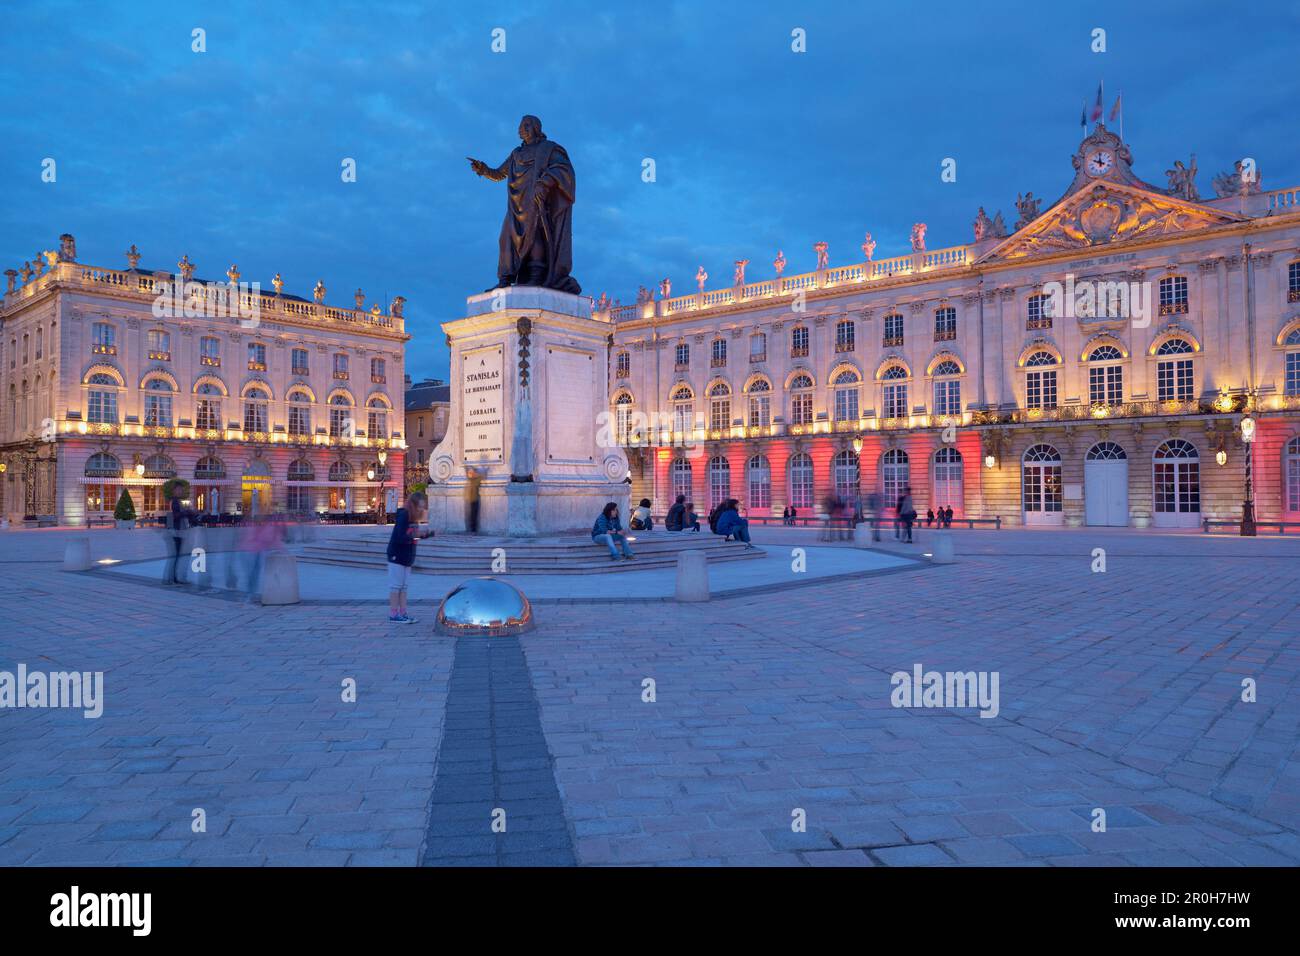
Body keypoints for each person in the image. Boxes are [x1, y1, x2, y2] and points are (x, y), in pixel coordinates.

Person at [386, 491, 431, 623]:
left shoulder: (414, 519)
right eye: (420, 506)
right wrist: (415, 536)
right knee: (396, 586)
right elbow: (401, 537)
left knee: (404, 587)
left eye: (423, 506)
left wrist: (427, 535)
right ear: (413, 505)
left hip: (407, 557)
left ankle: (403, 612)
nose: (422, 509)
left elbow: (413, 536)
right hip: (397, 555)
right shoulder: (404, 515)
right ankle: (393, 614)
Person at [163, 483, 194, 585]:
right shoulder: (175, 501)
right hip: (177, 532)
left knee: (176, 555)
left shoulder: (177, 501)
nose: (181, 491)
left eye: (181, 489)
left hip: (178, 531)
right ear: (174, 491)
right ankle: (174, 578)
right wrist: (187, 512)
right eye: (179, 489)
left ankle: (173, 578)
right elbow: (176, 516)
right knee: (176, 555)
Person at [464, 467, 482, 533]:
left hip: (474, 499)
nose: (471, 474)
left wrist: (475, 474)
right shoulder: (471, 479)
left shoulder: (476, 479)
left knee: (474, 514)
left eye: (472, 472)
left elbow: (480, 477)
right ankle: (472, 528)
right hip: (470, 499)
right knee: (471, 515)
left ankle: (473, 529)